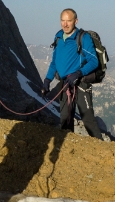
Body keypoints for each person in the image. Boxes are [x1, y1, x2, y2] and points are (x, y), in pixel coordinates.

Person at [43, 8, 107, 140]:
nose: (65, 24)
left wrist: (78, 73)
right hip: (65, 84)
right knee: (65, 120)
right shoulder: (58, 37)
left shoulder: (83, 38)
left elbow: (94, 61)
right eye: (63, 20)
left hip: (81, 83)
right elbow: (55, 62)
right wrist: (47, 80)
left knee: (88, 119)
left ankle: (102, 149)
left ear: (75, 21)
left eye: (69, 21)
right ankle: (67, 149)